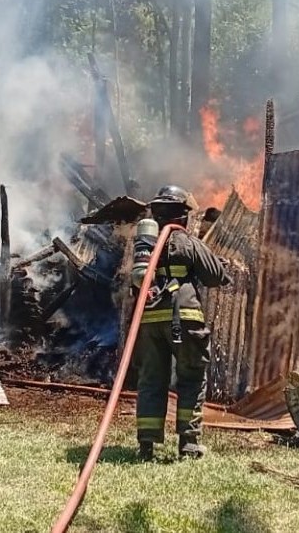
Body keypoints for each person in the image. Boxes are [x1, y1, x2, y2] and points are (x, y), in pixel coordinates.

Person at [130, 185, 231, 460]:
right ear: (183, 215)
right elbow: (214, 275)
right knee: (192, 376)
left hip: (149, 319)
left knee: (151, 379)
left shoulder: (144, 245)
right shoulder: (186, 241)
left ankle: (146, 445)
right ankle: (189, 444)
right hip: (184, 318)